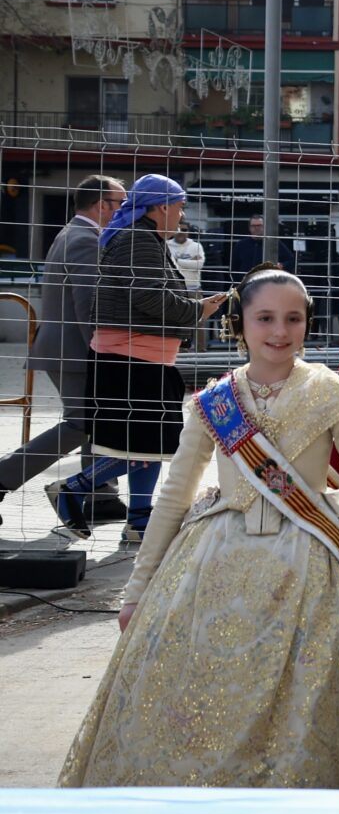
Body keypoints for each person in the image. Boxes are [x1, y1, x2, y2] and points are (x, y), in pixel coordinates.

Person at [61, 269, 339, 789]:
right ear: (239, 323)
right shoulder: (215, 402)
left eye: (294, 319)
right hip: (213, 559)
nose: (280, 332)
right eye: (265, 318)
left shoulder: (331, 393)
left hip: (310, 564)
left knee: (301, 700)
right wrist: (137, 590)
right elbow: (175, 493)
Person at [86, 175, 226, 548]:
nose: (182, 215)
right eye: (180, 206)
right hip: (132, 356)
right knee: (151, 443)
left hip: (142, 354)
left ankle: (139, 519)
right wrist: (198, 310)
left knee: (147, 443)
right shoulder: (139, 240)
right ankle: (74, 487)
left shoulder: (143, 237)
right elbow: (149, 299)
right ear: (162, 206)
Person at [0, 176, 125, 528]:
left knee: (95, 421)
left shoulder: (76, 233)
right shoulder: (85, 239)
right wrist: (103, 352)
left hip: (68, 348)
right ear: (102, 205)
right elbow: (88, 305)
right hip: (74, 350)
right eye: (121, 202)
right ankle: (3, 477)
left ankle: (101, 496)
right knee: (81, 423)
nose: (124, 209)